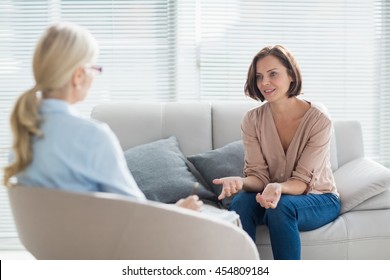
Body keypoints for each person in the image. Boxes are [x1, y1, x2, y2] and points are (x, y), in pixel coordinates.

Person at [3, 22, 202, 211]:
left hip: (48, 247)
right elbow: (135, 215)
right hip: (96, 246)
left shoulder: (23, 138)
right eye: (94, 68)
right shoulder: (92, 137)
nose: (95, 76)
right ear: (78, 76)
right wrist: (179, 212)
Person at [213, 45, 341, 259]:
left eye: (273, 74)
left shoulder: (319, 121)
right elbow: (259, 177)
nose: (264, 83)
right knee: (240, 202)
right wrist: (241, 182)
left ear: (291, 75)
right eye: (259, 77)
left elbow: (301, 183)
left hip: (318, 198)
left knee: (282, 206)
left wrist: (277, 187)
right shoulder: (252, 120)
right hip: (272, 197)